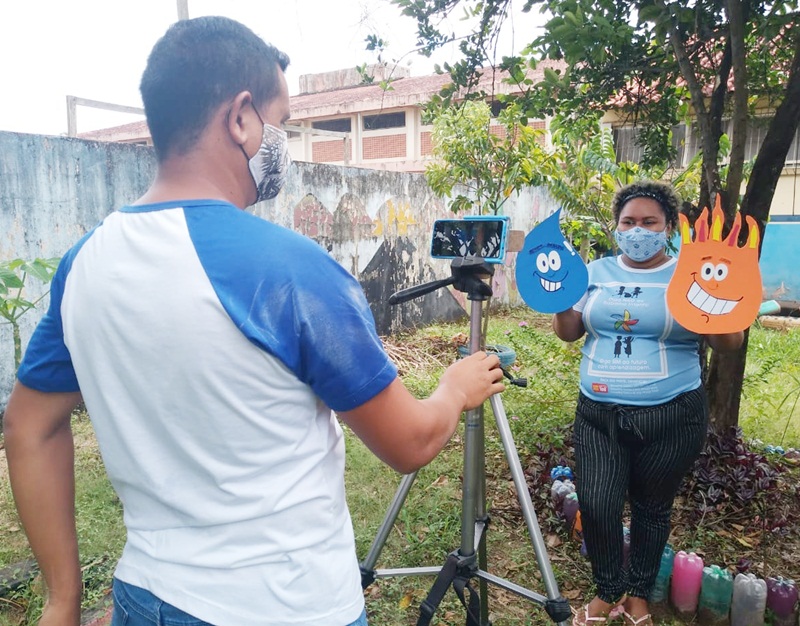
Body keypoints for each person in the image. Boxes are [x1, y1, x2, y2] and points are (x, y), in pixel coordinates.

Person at [3, 16, 506, 626]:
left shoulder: (83, 264)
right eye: (283, 125)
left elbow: (28, 428)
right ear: (241, 119)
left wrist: (62, 598)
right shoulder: (290, 270)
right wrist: (456, 387)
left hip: (145, 596)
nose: (283, 146)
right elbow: (409, 442)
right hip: (286, 605)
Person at [552, 181, 743, 626]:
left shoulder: (692, 274)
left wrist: (716, 306)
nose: (638, 231)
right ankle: (608, 589)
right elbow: (568, 331)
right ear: (616, 227)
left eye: (649, 222)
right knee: (597, 506)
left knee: (651, 508)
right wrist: (560, 301)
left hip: (672, 416)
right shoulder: (593, 272)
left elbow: (729, 344)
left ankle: (637, 594)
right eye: (628, 222)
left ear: (669, 227)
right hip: (598, 416)